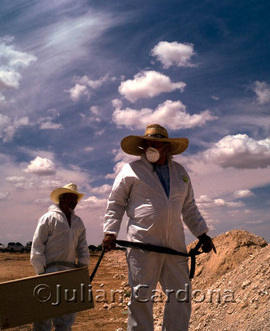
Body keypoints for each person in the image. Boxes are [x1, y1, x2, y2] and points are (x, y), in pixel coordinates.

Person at [102, 124, 216, 331]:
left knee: (180, 296)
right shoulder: (131, 170)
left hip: (174, 246)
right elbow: (116, 203)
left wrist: (203, 234)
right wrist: (110, 231)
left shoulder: (180, 173)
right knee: (142, 297)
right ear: (143, 146)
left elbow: (189, 207)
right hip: (142, 245)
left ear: (167, 147)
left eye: (157, 143)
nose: (151, 147)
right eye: (148, 143)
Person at [30, 183, 90, 331]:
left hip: (69, 272)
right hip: (50, 270)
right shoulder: (48, 218)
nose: (74, 202)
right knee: (43, 313)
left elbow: (82, 245)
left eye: (76, 199)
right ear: (62, 198)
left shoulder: (78, 222)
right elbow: (38, 245)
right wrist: (40, 271)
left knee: (66, 314)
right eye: (71, 198)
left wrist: (82, 266)